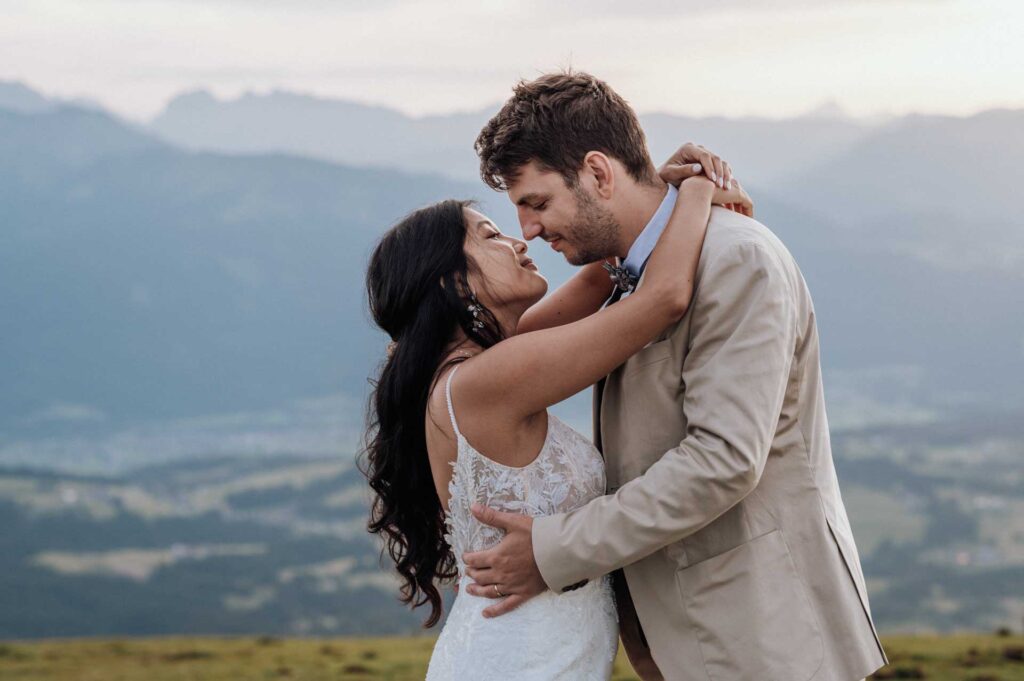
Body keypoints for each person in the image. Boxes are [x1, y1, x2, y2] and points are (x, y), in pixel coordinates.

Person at [461, 70, 888, 681]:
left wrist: (553, 550)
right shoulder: (629, 277)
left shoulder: (736, 260)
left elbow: (723, 459)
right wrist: (677, 191)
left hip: (766, 642)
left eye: (537, 202)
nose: (528, 229)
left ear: (598, 173)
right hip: (684, 640)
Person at [363, 135, 750, 677]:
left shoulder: (486, 364)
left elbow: (603, 273)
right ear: (455, 280)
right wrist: (697, 190)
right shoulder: (489, 380)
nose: (522, 240)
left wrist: (645, 189)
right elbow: (663, 298)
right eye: (492, 235)